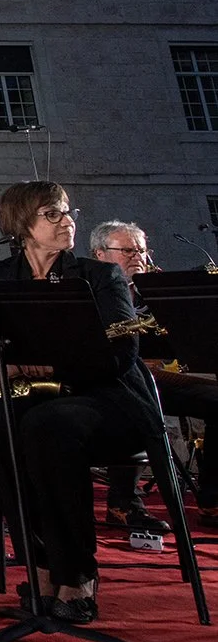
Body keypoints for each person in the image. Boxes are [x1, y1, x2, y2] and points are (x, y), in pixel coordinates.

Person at [0, 183, 162, 624]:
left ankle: (77, 573)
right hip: (40, 403)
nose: (67, 220)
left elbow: (119, 356)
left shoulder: (99, 276)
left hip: (109, 399)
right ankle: (38, 565)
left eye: (67, 212)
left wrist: (27, 368)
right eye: (52, 214)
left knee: (47, 429)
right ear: (22, 226)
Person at [88, 220, 218, 529]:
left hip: (158, 375)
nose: (138, 257)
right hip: (111, 378)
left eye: (142, 251)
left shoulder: (159, 290)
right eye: (128, 251)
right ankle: (123, 501)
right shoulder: (90, 290)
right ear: (100, 254)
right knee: (136, 400)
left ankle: (213, 499)